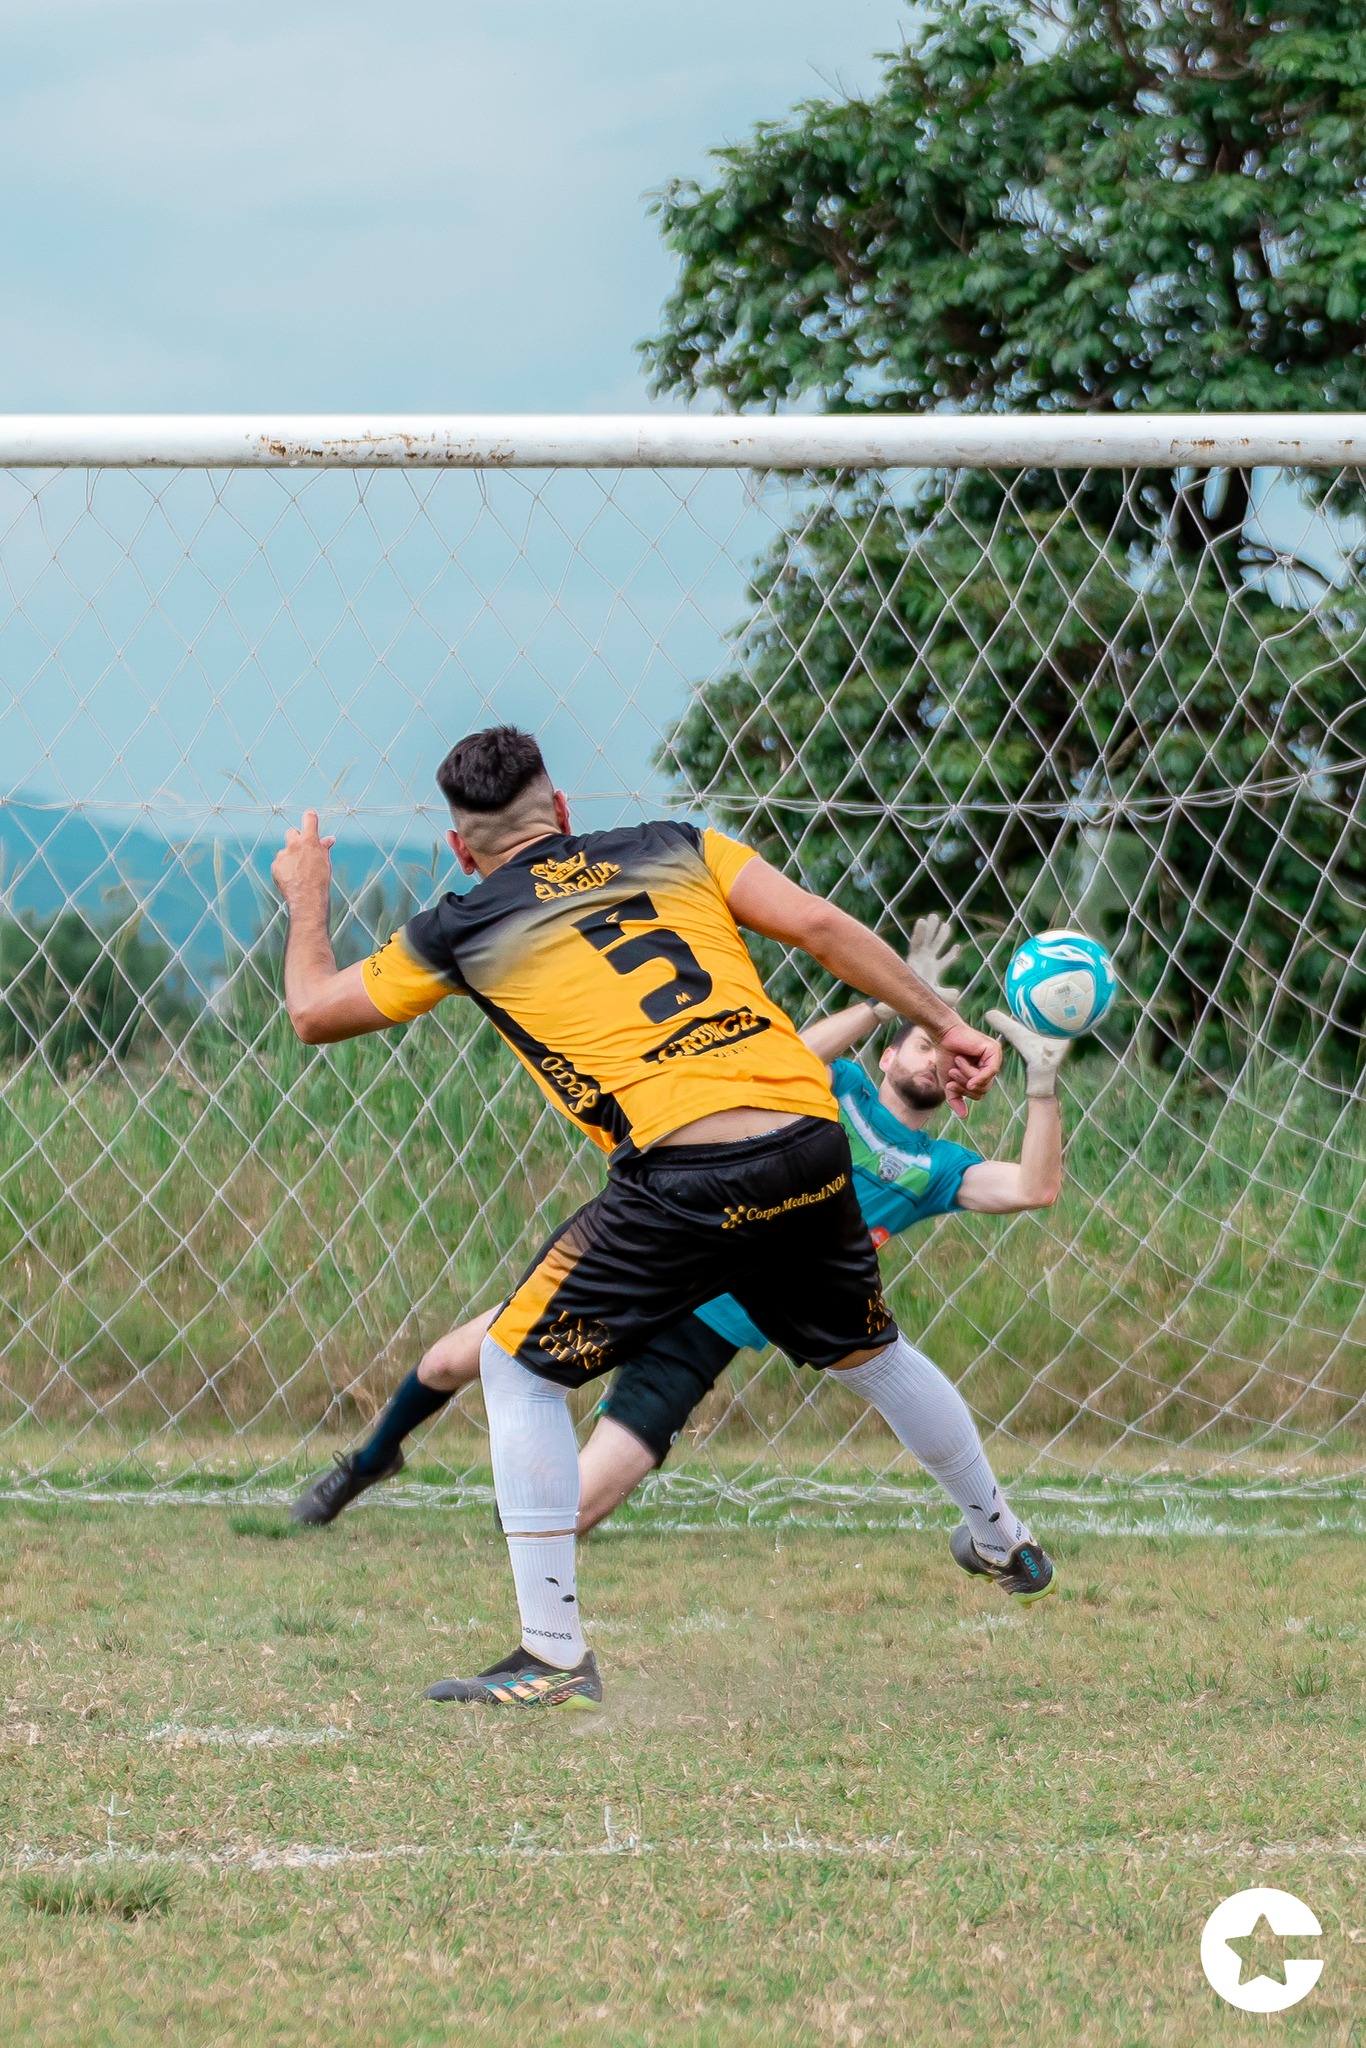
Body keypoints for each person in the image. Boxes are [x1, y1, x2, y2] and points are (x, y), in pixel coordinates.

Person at [272, 725, 1034, 1713]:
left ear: (462, 850)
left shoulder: (462, 921)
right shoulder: (674, 842)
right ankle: (999, 1533)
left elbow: (312, 1011)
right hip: (808, 1139)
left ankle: (552, 1654)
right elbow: (817, 925)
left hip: (686, 1168)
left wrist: (309, 897)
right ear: (564, 813)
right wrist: (944, 1019)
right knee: (866, 1350)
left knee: (514, 1362)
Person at [291, 918, 1070, 1607]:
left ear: (962, 1089)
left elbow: (1036, 1188)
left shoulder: (934, 1167)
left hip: (708, 1327)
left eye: (945, 1055)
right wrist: (889, 999)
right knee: (456, 1357)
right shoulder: (828, 1084)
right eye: (923, 1042)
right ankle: (366, 1462)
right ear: (895, 1049)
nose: (933, 1060)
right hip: (666, 1253)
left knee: (563, 1513)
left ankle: (993, 1529)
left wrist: (1042, 1080)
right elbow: (788, 1052)